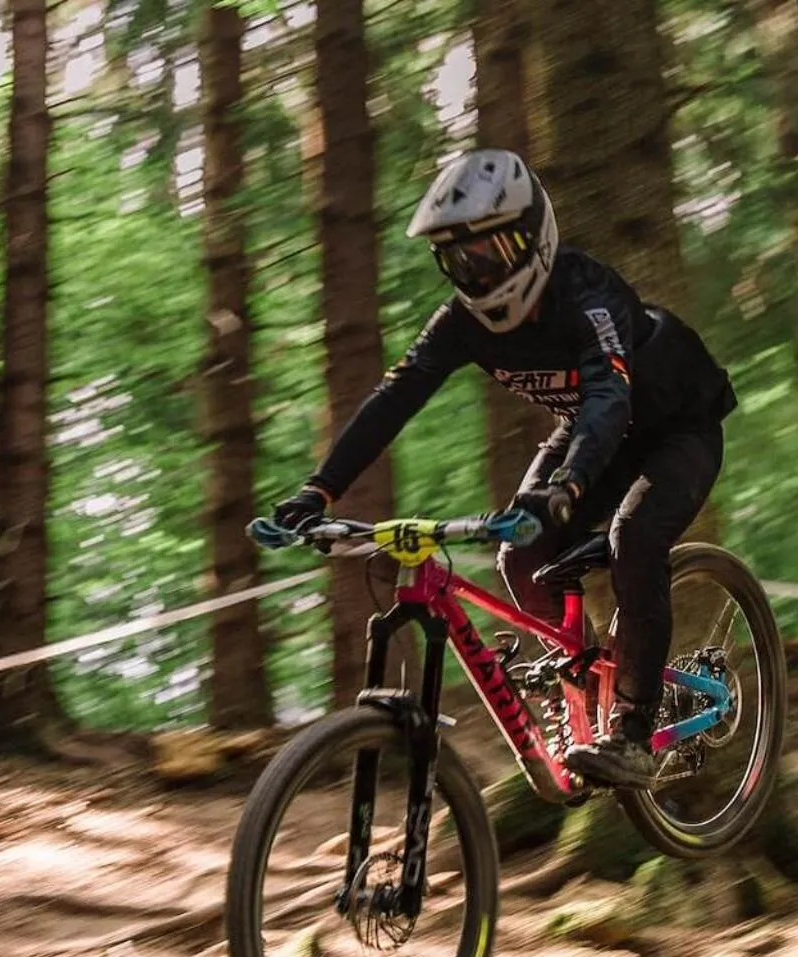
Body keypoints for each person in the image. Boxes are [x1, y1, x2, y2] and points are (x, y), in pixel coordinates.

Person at [269, 149, 737, 789]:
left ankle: (633, 733)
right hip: (593, 434)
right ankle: (587, 671)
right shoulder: (461, 323)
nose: (477, 269)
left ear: (533, 237)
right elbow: (395, 396)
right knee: (520, 556)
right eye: (458, 257)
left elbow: (607, 397)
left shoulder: (586, 294)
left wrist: (569, 486)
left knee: (635, 537)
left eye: (491, 249)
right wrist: (317, 490)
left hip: (675, 428)